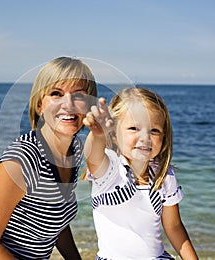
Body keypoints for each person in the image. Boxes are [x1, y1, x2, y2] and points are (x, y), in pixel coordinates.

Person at [0, 56, 98, 260]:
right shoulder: (23, 159)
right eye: (56, 94)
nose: (68, 104)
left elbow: (57, 221)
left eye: (79, 96)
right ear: (39, 105)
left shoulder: (74, 149)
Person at [83, 87, 198, 259]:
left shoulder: (163, 175)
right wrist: (97, 134)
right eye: (134, 128)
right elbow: (93, 156)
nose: (145, 137)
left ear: (164, 136)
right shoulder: (109, 168)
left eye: (154, 130)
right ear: (114, 134)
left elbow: (173, 226)